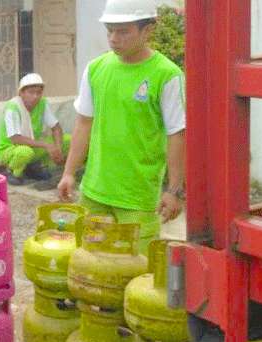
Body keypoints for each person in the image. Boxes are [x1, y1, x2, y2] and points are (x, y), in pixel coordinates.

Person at [57, 0, 185, 254]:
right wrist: (69, 172)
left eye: (123, 31)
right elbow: (83, 123)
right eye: (110, 30)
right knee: (91, 269)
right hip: (95, 192)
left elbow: (177, 135)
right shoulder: (96, 70)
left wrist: (174, 190)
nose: (114, 39)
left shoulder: (167, 75)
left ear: (148, 30)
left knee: (138, 276)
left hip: (138, 198)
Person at [0, 73, 70, 186]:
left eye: (39, 93)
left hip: (33, 146)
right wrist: (46, 145)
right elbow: (16, 139)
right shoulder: (13, 107)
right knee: (25, 152)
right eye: (31, 92)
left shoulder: (42, 103)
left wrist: (58, 149)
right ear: (21, 93)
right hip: (10, 149)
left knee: (69, 140)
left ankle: (32, 167)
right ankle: (12, 171)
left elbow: (56, 128)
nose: (35, 96)